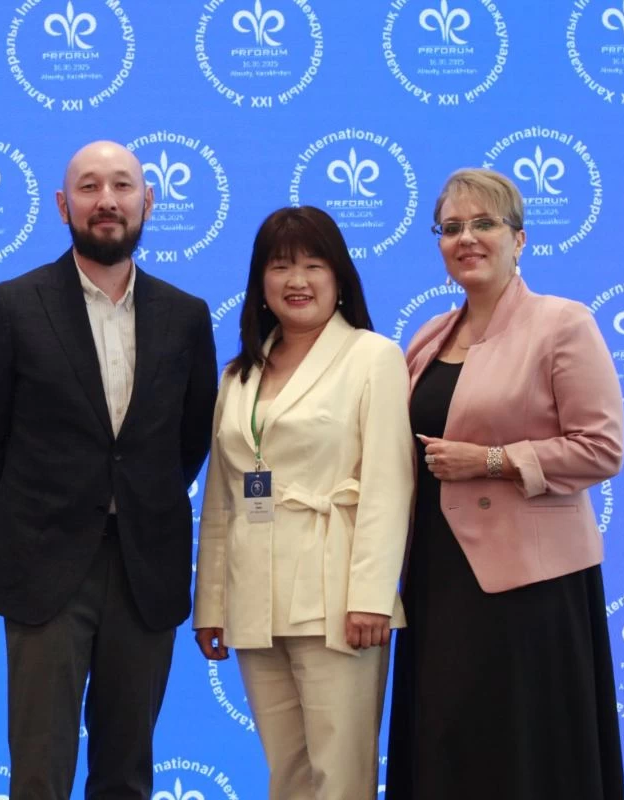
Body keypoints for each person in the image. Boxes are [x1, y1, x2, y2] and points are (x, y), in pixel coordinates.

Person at [0, 140, 218, 799]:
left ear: (147, 201)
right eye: (90, 187)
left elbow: (190, 439)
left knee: (127, 772)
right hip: (44, 565)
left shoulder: (185, 316)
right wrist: (33, 510)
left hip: (145, 567)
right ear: (62, 205)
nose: (107, 201)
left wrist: (136, 497)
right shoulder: (13, 305)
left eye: (122, 186)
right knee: (39, 772)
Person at [386, 168, 624, 799]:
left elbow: (601, 448)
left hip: (530, 587)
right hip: (438, 574)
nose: (466, 238)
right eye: (451, 228)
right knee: (448, 744)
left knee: (520, 754)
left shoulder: (563, 323)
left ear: (519, 239)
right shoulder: (427, 337)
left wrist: (493, 460)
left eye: (484, 224)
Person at [192, 206, 413, 800]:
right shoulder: (239, 373)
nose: (298, 281)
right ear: (260, 281)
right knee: (286, 772)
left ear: (339, 276)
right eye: (281, 266)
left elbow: (389, 486)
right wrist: (211, 602)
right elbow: (221, 499)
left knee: (340, 775)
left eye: (314, 265)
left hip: (336, 595)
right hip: (253, 596)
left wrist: (370, 597)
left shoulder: (373, 356)